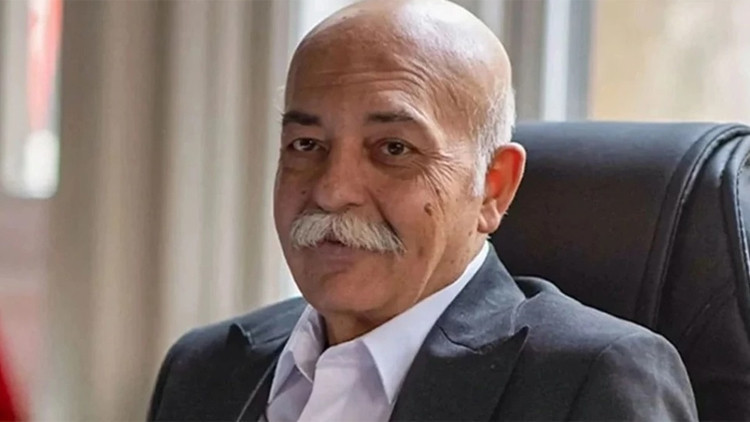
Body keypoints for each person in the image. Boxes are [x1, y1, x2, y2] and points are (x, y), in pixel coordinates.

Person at [148, 0, 698, 420]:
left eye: (393, 149)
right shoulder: (205, 369)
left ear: (493, 187)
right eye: (306, 145)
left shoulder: (591, 381)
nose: (332, 191)